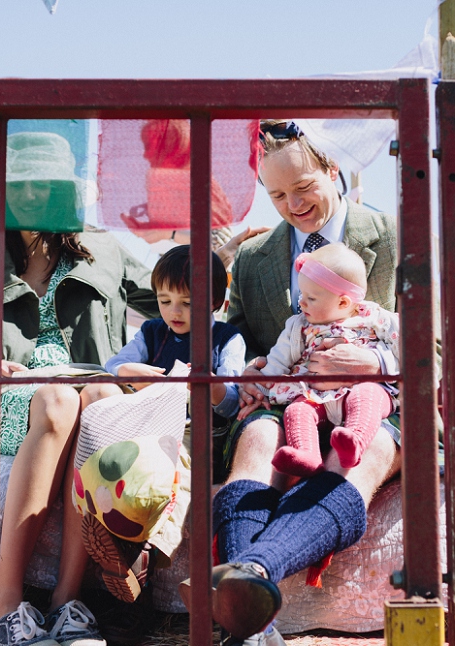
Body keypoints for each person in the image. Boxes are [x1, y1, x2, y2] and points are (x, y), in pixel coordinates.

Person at [0, 132, 159, 646]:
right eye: (18, 184)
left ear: (65, 190)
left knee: (102, 398)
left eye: (44, 183)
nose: (31, 194)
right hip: (5, 401)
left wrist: (225, 261)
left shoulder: (104, 249)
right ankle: (6, 604)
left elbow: (176, 299)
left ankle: (66, 603)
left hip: (85, 395)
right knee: (59, 398)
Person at [187, 120, 399, 646]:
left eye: (303, 188)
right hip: (288, 399)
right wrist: (248, 374)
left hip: (380, 402)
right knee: (260, 437)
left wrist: (375, 363)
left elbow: (440, 343)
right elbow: (237, 340)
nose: (293, 205)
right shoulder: (253, 257)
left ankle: (250, 579)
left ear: (333, 169)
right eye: (277, 195)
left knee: (366, 448)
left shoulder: (396, 236)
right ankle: (255, 622)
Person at [73, 244, 245, 604]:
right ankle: (123, 550)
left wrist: (209, 385)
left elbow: (232, 401)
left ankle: (144, 553)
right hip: (149, 425)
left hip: (199, 433)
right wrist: (129, 371)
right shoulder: (152, 332)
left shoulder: (227, 338)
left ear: (215, 301)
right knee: (129, 463)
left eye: (187, 302)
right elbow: (114, 364)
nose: (174, 311)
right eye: (164, 301)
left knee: (178, 476)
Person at [238, 243, 400, 478]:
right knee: (297, 410)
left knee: (366, 397)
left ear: (343, 303)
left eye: (311, 298)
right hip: (316, 394)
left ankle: (354, 441)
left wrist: (380, 362)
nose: (301, 303)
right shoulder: (298, 326)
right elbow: (277, 361)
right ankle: (306, 455)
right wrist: (259, 392)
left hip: (367, 386)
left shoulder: (376, 318)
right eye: (301, 295)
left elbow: (409, 349)